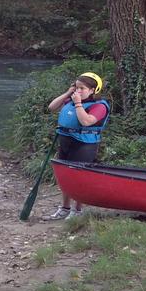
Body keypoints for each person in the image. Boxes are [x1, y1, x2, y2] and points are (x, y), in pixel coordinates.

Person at [46, 71, 110, 219]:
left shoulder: (99, 106)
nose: (78, 91)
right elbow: (51, 107)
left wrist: (78, 103)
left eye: (82, 88)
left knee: (79, 178)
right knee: (65, 177)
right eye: (77, 87)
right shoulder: (71, 99)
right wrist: (68, 92)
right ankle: (65, 208)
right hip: (66, 141)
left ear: (93, 90)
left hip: (84, 144)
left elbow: (86, 121)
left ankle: (77, 210)